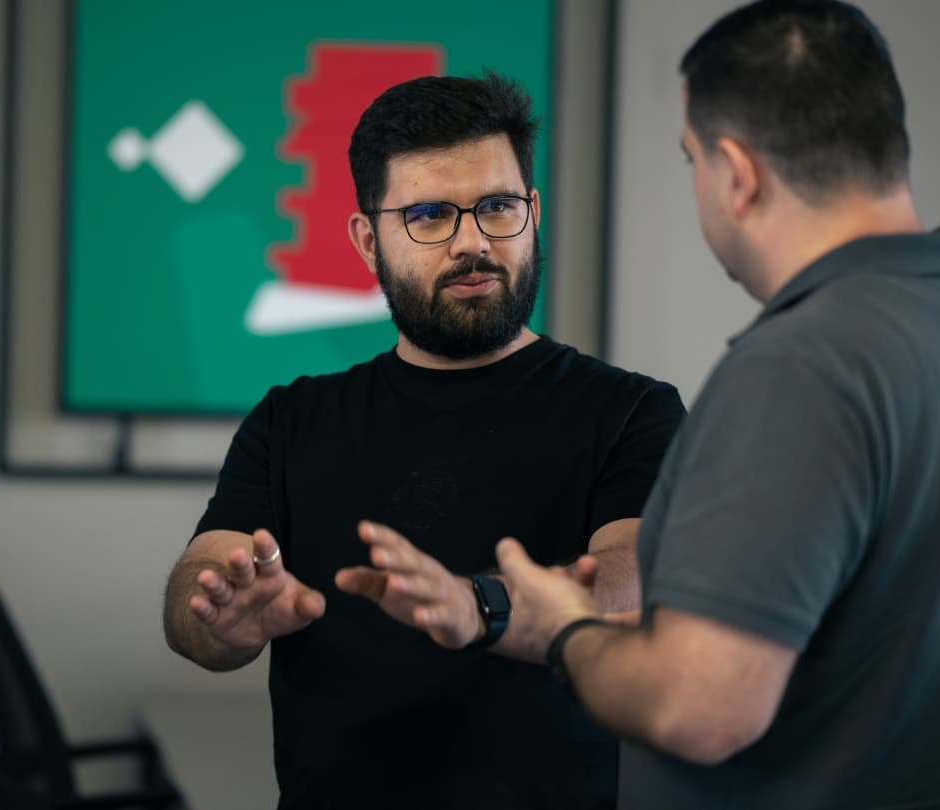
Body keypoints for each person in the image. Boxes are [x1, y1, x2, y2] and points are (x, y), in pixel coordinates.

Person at [495, 1, 940, 808]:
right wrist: (660, 635)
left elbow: (702, 707)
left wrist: (563, 630)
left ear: (737, 171)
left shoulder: (802, 367)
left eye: (692, 159)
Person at [162, 72, 685, 810]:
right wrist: (218, 615)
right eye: (430, 215)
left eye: (498, 207)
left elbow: (633, 576)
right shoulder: (291, 421)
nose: (472, 242)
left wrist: (482, 607)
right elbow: (203, 585)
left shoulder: (633, 410)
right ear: (367, 241)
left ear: (533, 214)